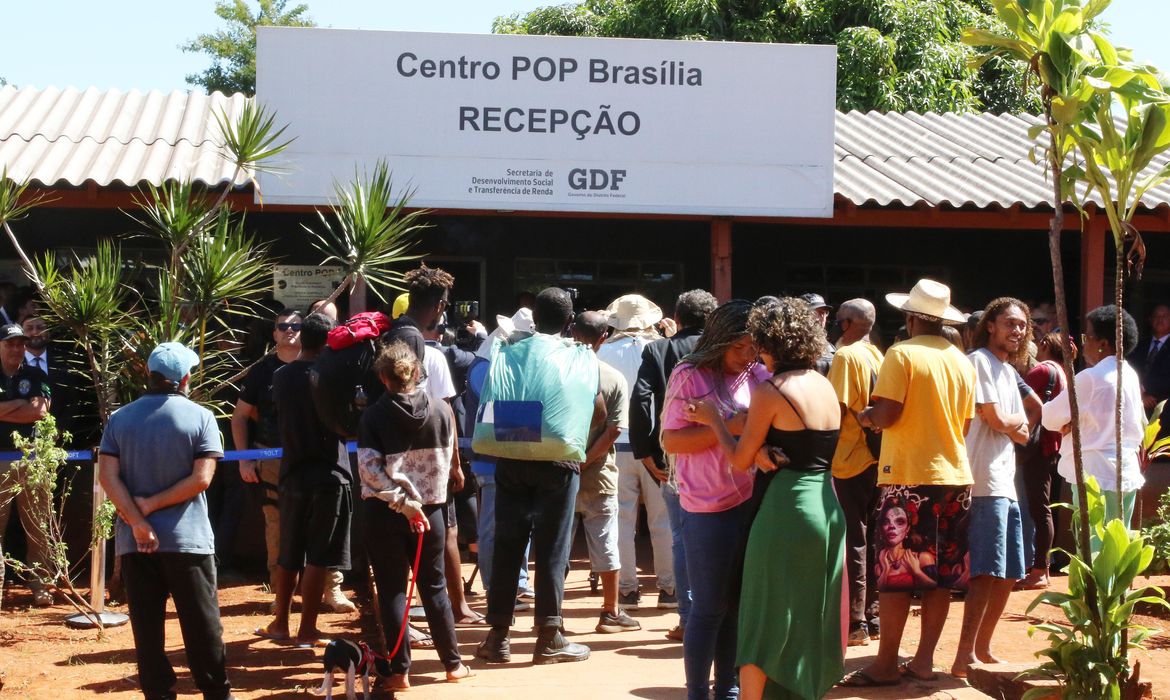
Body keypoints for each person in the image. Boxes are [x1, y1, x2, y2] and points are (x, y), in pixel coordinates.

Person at [689, 298, 846, 700]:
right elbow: (802, 445)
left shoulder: (771, 389)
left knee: (761, 616)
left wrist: (714, 422)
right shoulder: (824, 383)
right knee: (810, 616)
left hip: (785, 512)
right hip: (826, 509)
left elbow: (740, 461)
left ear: (767, 343)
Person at [845, 279, 976, 688]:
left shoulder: (900, 354)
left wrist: (866, 416)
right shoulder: (961, 360)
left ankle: (885, 665)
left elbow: (886, 414)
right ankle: (923, 661)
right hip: (954, 476)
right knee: (942, 576)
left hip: (908, 477)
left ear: (911, 317)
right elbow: (965, 423)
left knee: (896, 575)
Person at [97, 342, 235, 700]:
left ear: (148, 374)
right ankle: (216, 693)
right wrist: (153, 505)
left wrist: (138, 521)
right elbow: (202, 478)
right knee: (203, 625)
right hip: (188, 541)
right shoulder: (201, 417)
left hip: (135, 542)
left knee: (147, 628)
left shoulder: (119, 418)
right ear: (185, 378)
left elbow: (108, 478)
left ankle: (158, 695)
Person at [475, 288, 603, 665]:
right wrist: (566, 428)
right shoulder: (579, 357)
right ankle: (549, 635)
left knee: (508, 544)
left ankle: (498, 637)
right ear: (569, 322)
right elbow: (597, 411)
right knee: (552, 549)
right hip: (559, 463)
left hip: (512, 454)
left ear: (534, 316)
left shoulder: (512, 349)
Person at [661, 300, 771, 700]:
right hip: (705, 507)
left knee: (737, 606)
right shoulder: (690, 374)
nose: (747, 356)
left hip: (751, 502)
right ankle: (697, 694)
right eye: (739, 346)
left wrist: (722, 423)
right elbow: (672, 441)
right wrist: (731, 425)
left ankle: (727, 689)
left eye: (753, 347)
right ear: (720, 339)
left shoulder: (758, 374)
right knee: (707, 609)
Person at [357, 341, 472, 688]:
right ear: (417, 373)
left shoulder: (373, 415)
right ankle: (453, 665)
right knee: (434, 588)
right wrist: (418, 503)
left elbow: (369, 470)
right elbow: (446, 462)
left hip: (386, 513)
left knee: (392, 590)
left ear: (382, 377)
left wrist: (402, 502)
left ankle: (399, 672)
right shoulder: (441, 410)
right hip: (432, 513)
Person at [255, 313, 353, 645]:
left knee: (290, 551)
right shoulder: (331, 377)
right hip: (329, 474)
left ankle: (280, 624)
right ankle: (307, 629)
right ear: (329, 343)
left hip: (293, 473)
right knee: (320, 555)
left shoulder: (281, 376)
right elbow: (347, 423)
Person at [629, 288, 717, 641]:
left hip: (675, 456)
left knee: (681, 537)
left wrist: (646, 450)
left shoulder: (659, 349)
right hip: (721, 453)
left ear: (677, 318)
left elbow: (641, 398)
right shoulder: (725, 353)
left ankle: (689, 617)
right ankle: (719, 614)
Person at [951, 298, 1032, 678]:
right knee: (985, 570)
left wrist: (1005, 421)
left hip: (1005, 481)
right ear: (990, 326)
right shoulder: (979, 361)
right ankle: (964, 654)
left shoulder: (1005, 368)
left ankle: (982, 648)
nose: (1016, 331)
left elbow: (1024, 431)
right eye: (1009, 324)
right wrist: (1007, 421)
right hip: (983, 481)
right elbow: (998, 419)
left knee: (1010, 571)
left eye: (1021, 325)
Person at [1042, 305, 1145, 552]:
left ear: (1103, 343)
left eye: (1087, 337)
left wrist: (1069, 423)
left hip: (1094, 474)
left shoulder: (1091, 377)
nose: (1084, 343)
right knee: (1116, 551)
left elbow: (1049, 417)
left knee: (1092, 551)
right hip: (1126, 470)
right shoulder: (1130, 374)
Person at [597, 294, 674, 610]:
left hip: (616, 445)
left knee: (620, 520)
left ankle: (627, 591)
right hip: (657, 446)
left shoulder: (604, 352)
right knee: (663, 519)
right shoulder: (660, 349)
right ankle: (670, 590)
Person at [571, 311, 641, 633]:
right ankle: (610, 611)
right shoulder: (612, 377)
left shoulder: (558, 370)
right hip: (598, 472)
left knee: (555, 545)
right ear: (603, 338)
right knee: (605, 540)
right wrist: (587, 459)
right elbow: (614, 430)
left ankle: (550, 616)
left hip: (559, 473)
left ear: (572, 332)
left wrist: (572, 460)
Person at [827, 298, 883, 646]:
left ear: (846, 323)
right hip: (877, 459)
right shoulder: (878, 354)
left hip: (849, 458)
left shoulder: (846, 356)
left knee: (853, 540)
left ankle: (855, 620)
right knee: (873, 539)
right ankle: (873, 615)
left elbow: (835, 409)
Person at [1017, 332, 1074, 590]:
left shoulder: (1041, 371)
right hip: (1053, 448)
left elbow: (1020, 403)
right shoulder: (1063, 372)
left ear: (1044, 345)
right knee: (1045, 508)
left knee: (1039, 510)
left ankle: (1039, 570)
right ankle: (1042, 567)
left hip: (1036, 449)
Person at [0, 322, 52, 607]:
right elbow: (28, 408)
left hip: (31, 459)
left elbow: (40, 412)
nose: (17, 349)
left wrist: (5, 410)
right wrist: (20, 404)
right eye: (10, 343)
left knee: (38, 526)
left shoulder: (34, 374)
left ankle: (40, 584)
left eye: (20, 343)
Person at [1133, 304, 1170, 413]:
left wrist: (1144, 388)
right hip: (1137, 408)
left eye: (1165, 316)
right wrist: (1140, 393)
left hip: (1164, 410)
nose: (1160, 320)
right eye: (1156, 316)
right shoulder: (1139, 345)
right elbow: (1132, 369)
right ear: (1150, 320)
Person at [799, 293, 835, 375]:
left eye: (825, 312)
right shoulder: (790, 346)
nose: (822, 316)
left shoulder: (831, 349)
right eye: (817, 311)